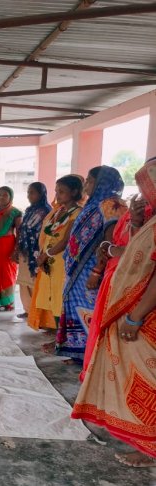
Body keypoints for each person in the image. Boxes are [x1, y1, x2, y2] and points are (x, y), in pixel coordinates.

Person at [71, 157, 156, 468]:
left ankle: (150, 446)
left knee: (147, 374)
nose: (145, 195)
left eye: (149, 188)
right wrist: (135, 223)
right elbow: (137, 252)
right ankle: (145, 440)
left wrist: (135, 316)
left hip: (145, 310)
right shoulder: (149, 220)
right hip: (135, 300)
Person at [56, 166, 127, 362]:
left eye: (90, 180)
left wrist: (97, 271)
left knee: (91, 310)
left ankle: (93, 357)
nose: (85, 185)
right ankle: (79, 351)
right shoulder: (93, 205)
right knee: (77, 306)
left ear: (101, 183)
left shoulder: (111, 206)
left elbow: (111, 241)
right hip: (77, 271)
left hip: (92, 271)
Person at [81, 195, 152, 376]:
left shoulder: (146, 213)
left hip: (137, 288)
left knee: (131, 346)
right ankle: (103, 377)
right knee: (109, 334)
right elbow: (123, 243)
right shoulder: (135, 208)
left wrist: (110, 249)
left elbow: (137, 253)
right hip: (116, 279)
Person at [28, 175, 84, 335]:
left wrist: (45, 255)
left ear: (74, 192)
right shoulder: (57, 211)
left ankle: (62, 339)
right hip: (48, 260)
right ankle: (59, 337)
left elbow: (66, 240)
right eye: (56, 191)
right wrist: (42, 256)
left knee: (60, 299)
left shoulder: (77, 213)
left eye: (62, 192)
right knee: (51, 297)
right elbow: (47, 234)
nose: (57, 195)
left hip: (62, 261)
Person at [16, 182, 52, 318]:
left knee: (34, 281)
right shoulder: (30, 210)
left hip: (36, 252)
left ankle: (36, 312)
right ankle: (28, 309)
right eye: (28, 193)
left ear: (41, 194)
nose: (29, 196)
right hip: (25, 251)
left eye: (32, 192)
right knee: (24, 281)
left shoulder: (46, 211)